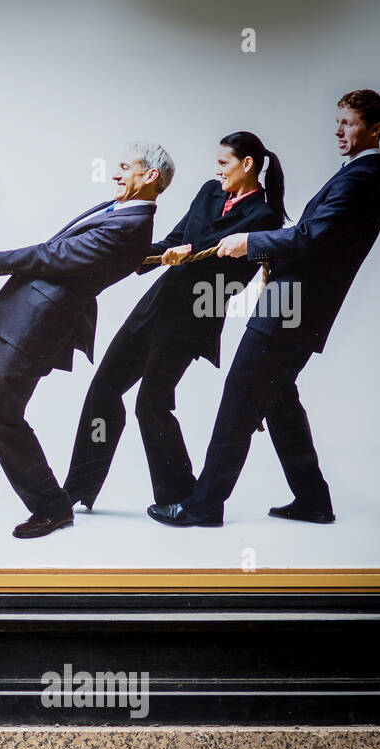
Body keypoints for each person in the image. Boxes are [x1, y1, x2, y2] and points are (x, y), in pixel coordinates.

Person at [0, 143, 172, 538]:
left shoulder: (132, 226)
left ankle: (51, 506)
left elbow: (60, 256)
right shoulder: (118, 210)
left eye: (125, 167)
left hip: (39, 324)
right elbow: (68, 252)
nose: (116, 174)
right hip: (10, 312)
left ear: (150, 176)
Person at [150, 90, 380, 527]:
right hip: (295, 305)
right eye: (337, 121)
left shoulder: (362, 177)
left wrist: (251, 242)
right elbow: (315, 237)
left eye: (349, 123)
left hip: (291, 308)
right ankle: (313, 500)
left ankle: (205, 505)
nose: (338, 130)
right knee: (278, 398)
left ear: (374, 129)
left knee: (240, 397)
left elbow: (310, 238)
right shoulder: (355, 173)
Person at [63, 132, 286, 511]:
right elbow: (176, 238)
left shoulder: (263, 216)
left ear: (247, 165)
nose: (217, 171)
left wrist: (190, 252)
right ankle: (78, 489)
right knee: (104, 386)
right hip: (158, 303)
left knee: (151, 403)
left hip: (194, 316)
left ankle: (180, 496)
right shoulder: (209, 193)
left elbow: (226, 269)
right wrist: (134, 255)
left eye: (223, 164)